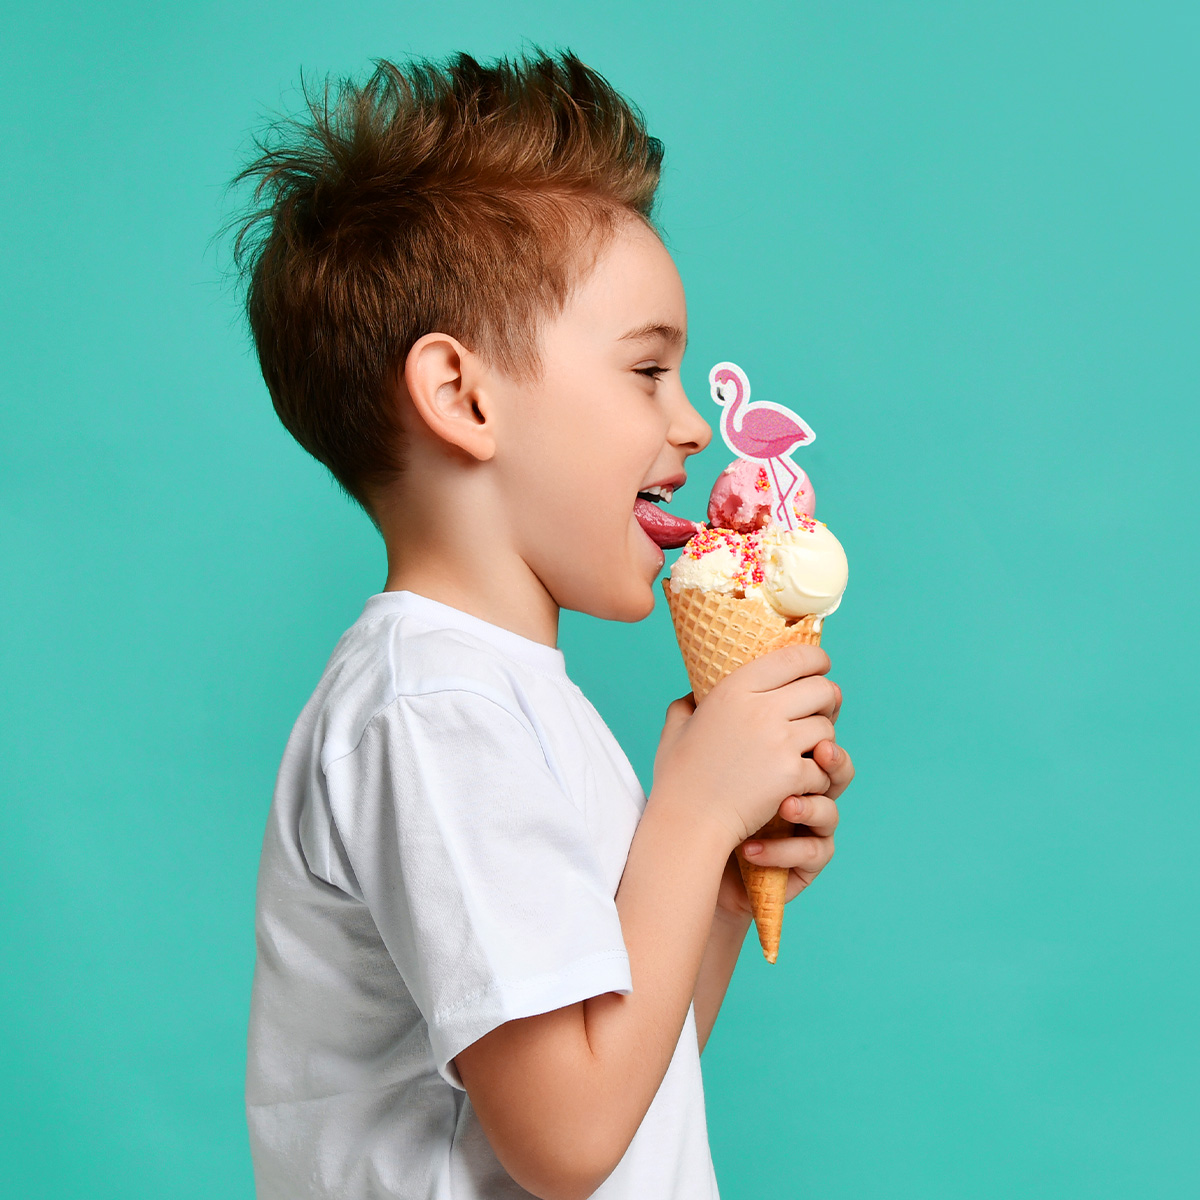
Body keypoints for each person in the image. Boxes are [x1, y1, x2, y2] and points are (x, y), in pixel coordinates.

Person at [233, 50, 855, 1200]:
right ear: (463, 397)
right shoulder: (435, 708)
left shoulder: (503, 698)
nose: (687, 425)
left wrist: (715, 884)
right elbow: (565, 1141)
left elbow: (628, 1086)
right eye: (646, 370)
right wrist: (692, 814)